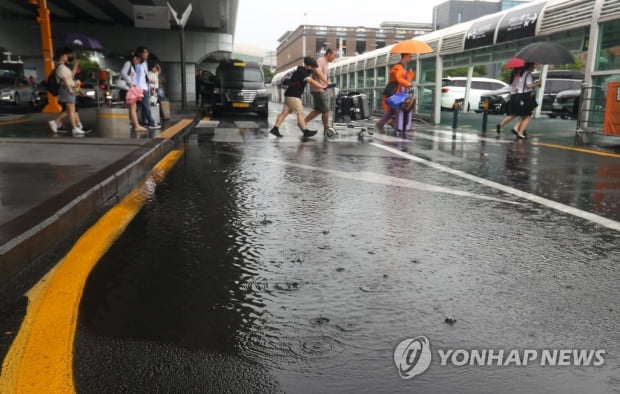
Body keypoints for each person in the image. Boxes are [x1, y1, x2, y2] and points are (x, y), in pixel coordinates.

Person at [269, 56, 326, 138]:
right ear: (308, 65)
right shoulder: (302, 72)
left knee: (284, 113)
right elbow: (310, 81)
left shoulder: (300, 70)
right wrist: (322, 86)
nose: (313, 69)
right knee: (300, 112)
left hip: (289, 94)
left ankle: (275, 129)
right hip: (293, 95)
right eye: (312, 67)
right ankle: (305, 131)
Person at [48, 47, 83, 136]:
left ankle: (55, 122)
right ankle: (74, 128)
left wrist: (75, 65)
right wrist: (69, 89)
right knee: (71, 110)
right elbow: (64, 79)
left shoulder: (64, 67)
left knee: (70, 110)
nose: (69, 57)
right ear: (62, 56)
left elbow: (71, 76)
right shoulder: (60, 67)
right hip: (66, 89)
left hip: (68, 89)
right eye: (67, 55)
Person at [375, 53, 414, 132]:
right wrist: (408, 83)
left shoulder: (403, 68)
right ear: (405, 56)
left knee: (395, 109)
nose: (410, 58)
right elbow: (398, 79)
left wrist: (410, 74)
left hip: (399, 92)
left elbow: (405, 80)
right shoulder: (398, 67)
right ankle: (385, 123)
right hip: (394, 92)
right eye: (410, 56)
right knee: (393, 109)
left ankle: (392, 123)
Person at [304, 48, 337, 134]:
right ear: (328, 54)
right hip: (318, 89)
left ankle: (302, 122)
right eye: (334, 56)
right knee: (326, 110)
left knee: (318, 110)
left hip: (321, 89)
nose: (334, 58)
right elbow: (318, 72)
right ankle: (326, 129)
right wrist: (327, 82)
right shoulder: (320, 61)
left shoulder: (325, 62)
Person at [510, 62, 540, 139]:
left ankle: (516, 128)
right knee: (528, 115)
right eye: (534, 65)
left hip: (520, 96)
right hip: (525, 96)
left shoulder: (521, 73)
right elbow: (528, 85)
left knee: (524, 114)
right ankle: (520, 133)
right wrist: (537, 84)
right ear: (530, 66)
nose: (535, 67)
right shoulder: (528, 73)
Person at [134, 46, 160, 129]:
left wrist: (149, 81)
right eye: (145, 52)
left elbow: (144, 75)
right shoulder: (135, 61)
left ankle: (132, 122)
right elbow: (134, 74)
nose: (147, 54)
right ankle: (151, 123)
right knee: (144, 106)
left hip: (144, 87)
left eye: (147, 52)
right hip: (138, 88)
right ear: (140, 53)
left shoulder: (144, 62)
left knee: (138, 107)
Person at [120, 53, 147, 132]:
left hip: (129, 89)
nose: (138, 63)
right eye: (139, 61)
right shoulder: (128, 63)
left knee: (132, 108)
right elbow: (123, 73)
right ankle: (136, 125)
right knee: (133, 108)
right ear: (135, 58)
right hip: (127, 89)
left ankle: (133, 124)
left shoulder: (132, 66)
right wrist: (130, 83)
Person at [495, 67, 521, 135]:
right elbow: (517, 89)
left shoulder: (513, 78)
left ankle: (501, 125)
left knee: (514, 114)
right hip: (517, 98)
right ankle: (518, 129)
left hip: (512, 98)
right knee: (523, 114)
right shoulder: (518, 78)